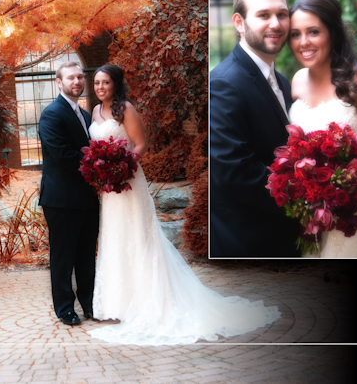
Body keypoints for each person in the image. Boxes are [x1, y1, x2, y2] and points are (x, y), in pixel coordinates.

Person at [87, 64, 279, 345]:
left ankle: (145, 303)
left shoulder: (125, 109)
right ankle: (117, 305)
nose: (100, 88)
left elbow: (141, 144)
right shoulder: (94, 112)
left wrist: (121, 167)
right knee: (115, 239)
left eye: (105, 83)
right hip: (108, 189)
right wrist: (101, 171)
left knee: (137, 238)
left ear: (115, 84)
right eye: (97, 83)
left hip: (127, 181)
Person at [287, 0, 357, 258]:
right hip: (311, 216)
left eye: (313, 32)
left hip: (355, 214)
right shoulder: (295, 81)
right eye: (295, 34)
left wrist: (355, 187)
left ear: (332, 32)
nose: (303, 42)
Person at [210, 0, 301, 258]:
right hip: (250, 241)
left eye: (282, 14)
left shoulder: (283, 82)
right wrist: (305, 194)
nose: (276, 23)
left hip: (284, 237)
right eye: (263, 15)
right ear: (239, 22)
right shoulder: (224, 82)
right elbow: (234, 170)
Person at [38, 62, 100, 326]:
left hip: (87, 198)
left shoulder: (85, 115)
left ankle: (89, 304)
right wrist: (98, 167)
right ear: (58, 82)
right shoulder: (51, 115)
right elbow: (63, 154)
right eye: (71, 78)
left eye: (79, 77)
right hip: (61, 200)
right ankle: (65, 309)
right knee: (63, 258)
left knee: (86, 256)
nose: (77, 81)